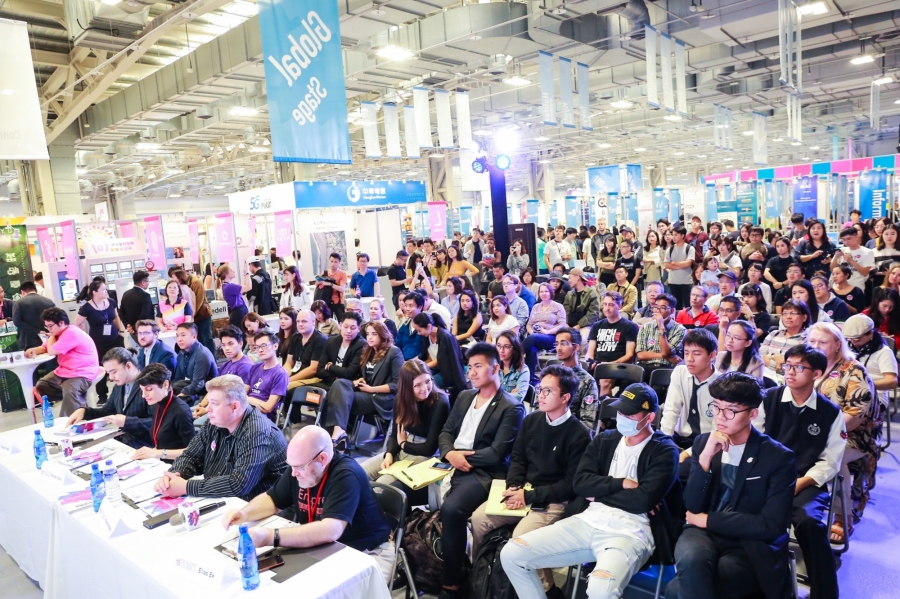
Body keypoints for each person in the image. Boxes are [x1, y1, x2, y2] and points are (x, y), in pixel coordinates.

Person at [502, 382, 679, 599]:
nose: (622, 416)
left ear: (649, 417)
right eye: (621, 411)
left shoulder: (665, 450)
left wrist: (600, 493)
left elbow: (642, 501)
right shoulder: (605, 439)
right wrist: (621, 483)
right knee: (512, 553)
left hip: (631, 531)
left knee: (600, 588)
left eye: (630, 414)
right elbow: (580, 483)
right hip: (588, 520)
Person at [665, 372, 796, 599]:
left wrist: (708, 519)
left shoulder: (777, 457)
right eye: (716, 407)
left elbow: (772, 524)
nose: (720, 417)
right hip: (702, 533)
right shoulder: (704, 442)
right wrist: (705, 459)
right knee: (690, 557)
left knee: (679, 588)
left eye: (731, 411)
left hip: (748, 542)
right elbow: (692, 505)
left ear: (752, 414)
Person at [472, 364, 591, 596]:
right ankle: (484, 578)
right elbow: (517, 459)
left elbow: (569, 485)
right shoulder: (532, 420)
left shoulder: (579, 434)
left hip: (552, 500)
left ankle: (547, 591)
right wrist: (514, 487)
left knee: (521, 541)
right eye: (540, 389)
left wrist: (528, 496)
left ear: (565, 397)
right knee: (479, 519)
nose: (541, 395)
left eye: (548, 391)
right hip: (523, 491)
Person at [220, 425, 393, 577]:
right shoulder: (299, 467)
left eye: (300, 467)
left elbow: (330, 530)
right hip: (326, 547)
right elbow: (273, 498)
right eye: (291, 466)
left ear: (323, 458)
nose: (294, 473)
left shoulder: (346, 474)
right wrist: (245, 513)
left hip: (367, 553)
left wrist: (270, 536)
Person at [752, 344, 845, 599]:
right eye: (787, 366)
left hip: (804, 482)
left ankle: (824, 592)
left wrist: (800, 483)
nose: (790, 372)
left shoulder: (830, 412)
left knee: (809, 523)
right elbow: (753, 440)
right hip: (766, 478)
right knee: (746, 515)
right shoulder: (768, 399)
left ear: (816, 374)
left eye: (798, 367)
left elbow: (830, 461)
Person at [436, 343, 525, 598]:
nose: (471, 372)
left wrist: (464, 459)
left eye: (478, 366)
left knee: (452, 510)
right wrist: (450, 454)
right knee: (410, 491)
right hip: (453, 461)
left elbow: (498, 453)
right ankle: (426, 559)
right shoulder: (465, 396)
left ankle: (452, 582)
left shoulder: (511, 407)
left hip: (484, 472)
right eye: (469, 367)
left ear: (495, 368)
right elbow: (446, 432)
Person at [155, 374, 288, 501]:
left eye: (214, 403)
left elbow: (239, 484)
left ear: (234, 406)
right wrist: (173, 475)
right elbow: (191, 456)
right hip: (224, 500)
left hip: (256, 509)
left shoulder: (258, 432)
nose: (208, 409)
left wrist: (186, 487)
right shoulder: (215, 423)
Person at [807, 322, 878, 543]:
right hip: (808, 432)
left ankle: (841, 515)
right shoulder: (806, 365)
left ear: (838, 345)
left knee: (834, 459)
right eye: (812, 341)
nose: (816, 346)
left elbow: (855, 416)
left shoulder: (853, 370)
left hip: (853, 436)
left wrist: (819, 436)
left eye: (822, 342)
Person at [362, 359, 451, 487]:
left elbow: (429, 448)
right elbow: (395, 434)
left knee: (381, 486)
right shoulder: (400, 399)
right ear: (408, 386)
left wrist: (403, 444)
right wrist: (389, 454)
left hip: (424, 455)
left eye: (427, 381)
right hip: (402, 445)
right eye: (418, 385)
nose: (425, 388)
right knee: (359, 473)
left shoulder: (440, 402)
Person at [321, 321, 403, 450]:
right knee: (339, 383)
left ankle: (334, 436)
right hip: (365, 391)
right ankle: (339, 433)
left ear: (383, 335)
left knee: (335, 399)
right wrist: (359, 380)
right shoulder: (368, 351)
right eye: (368, 334)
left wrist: (372, 389)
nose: (369, 337)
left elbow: (397, 385)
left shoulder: (394, 352)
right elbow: (366, 375)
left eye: (374, 334)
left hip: (381, 397)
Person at [66, 348, 152, 448]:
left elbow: (158, 422)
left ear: (128, 366)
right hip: (125, 440)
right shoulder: (120, 385)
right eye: (108, 373)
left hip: (145, 445)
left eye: (114, 372)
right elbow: (108, 411)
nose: (111, 378)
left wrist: (128, 422)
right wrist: (85, 412)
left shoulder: (149, 386)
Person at [661, 329, 721, 464]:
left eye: (697, 354)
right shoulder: (679, 372)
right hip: (679, 438)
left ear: (712, 355)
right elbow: (671, 410)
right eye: (686, 353)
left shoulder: (722, 383)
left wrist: (686, 454)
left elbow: (717, 430)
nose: (689, 359)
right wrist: (664, 443)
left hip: (707, 442)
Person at [28, 307, 100, 417]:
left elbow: (51, 350)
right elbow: (45, 347)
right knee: (42, 385)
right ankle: (77, 402)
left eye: (50, 326)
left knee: (70, 391)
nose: (48, 329)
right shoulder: (59, 333)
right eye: (46, 326)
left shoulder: (71, 333)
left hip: (82, 372)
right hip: (65, 371)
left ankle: (68, 421)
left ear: (61, 323)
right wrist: (34, 350)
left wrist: (51, 336)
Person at [125, 363, 196, 460]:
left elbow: (193, 451)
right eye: (142, 390)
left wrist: (159, 453)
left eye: (149, 389)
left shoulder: (180, 411)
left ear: (165, 384)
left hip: (179, 466)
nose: (143, 395)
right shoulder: (157, 405)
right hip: (162, 462)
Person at [75, 279, 125, 404]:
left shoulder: (111, 302)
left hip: (115, 339)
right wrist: (83, 335)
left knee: (120, 364)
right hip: (98, 343)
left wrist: (121, 331)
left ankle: (122, 390)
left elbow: (115, 317)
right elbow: (76, 325)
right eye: (103, 289)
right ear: (95, 292)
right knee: (101, 368)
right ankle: (102, 396)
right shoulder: (87, 308)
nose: (106, 291)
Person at [193, 326, 255, 424]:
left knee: (194, 424)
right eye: (223, 345)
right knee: (186, 413)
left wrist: (206, 410)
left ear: (240, 343)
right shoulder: (225, 365)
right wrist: (202, 406)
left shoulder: (245, 366)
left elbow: (236, 398)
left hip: (230, 411)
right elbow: (213, 390)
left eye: (230, 344)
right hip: (215, 405)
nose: (226, 348)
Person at [845, 313, 898, 411]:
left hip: (875, 395)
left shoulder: (883, 351)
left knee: (850, 410)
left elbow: (892, 381)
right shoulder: (847, 347)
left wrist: (863, 385)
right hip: (847, 391)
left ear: (870, 333)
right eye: (850, 339)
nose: (853, 342)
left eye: (857, 339)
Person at [414, 312, 468, 396]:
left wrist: (421, 366)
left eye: (419, 330)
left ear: (428, 326)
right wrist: (412, 362)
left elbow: (440, 360)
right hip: (437, 369)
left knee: (424, 383)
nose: (418, 333)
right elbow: (423, 354)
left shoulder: (445, 336)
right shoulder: (427, 336)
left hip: (447, 372)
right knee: (416, 379)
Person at [555, 327, 600, 427]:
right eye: (557, 343)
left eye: (563, 343)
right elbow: (539, 410)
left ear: (576, 347)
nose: (558, 348)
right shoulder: (552, 376)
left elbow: (588, 423)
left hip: (570, 434)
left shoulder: (587, 381)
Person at [315, 312, 367, 396]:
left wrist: (330, 367)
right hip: (328, 382)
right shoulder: (331, 341)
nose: (348, 331)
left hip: (346, 386)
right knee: (295, 392)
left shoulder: (362, 345)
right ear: (340, 325)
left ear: (359, 329)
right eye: (345, 327)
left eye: (353, 328)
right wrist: (335, 377)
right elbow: (320, 370)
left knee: (326, 398)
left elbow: (349, 373)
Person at [522, 283, 567, 378]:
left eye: (546, 291)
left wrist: (547, 332)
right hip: (534, 336)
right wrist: (531, 332)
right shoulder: (536, 307)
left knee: (533, 338)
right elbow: (529, 325)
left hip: (551, 337)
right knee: (531, 349)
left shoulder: (558, 306)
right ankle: (530, 377)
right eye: (541, 291)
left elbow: (562, 325)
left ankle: (515, 357)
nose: (544, 293)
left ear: (551, 292)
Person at [636, 293, 686, 378]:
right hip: (645, 367)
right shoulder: (645, 327)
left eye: (663, 308)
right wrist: (668, 357)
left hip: (666, 369)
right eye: (656, 307)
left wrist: (661, 328)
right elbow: (641, 355)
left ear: (672, 311)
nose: (658, 311)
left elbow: (666, 352)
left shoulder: (680, 330)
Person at [760, 298, 811, 379]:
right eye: (785, 313)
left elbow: (798, 366)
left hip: (790, 379)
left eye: (793, 313)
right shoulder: (773, 334)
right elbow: (760, 357)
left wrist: (769, 361)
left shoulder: (808, 339)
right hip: (764, 376)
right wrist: (775, 357)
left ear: (804, 317)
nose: (788, 317)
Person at [243, 331, 289, 421]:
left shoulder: (280, 374)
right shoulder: (254, 368)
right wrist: (250, 400)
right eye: (257, 347)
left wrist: (246, 399)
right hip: (246, 409)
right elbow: (241, 394)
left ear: (275, 346)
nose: (260, 350)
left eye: (264, 346)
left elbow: (268, 407)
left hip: (262, 417)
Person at [587, 291, 639, 367]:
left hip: (618, 367)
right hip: (597, 365)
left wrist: (610, 364)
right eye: (605, 304)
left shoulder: (630, 326)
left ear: (620, 306)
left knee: (605, 378)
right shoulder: (596, 325)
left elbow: (629, 355)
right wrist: (590, 362)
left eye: (611, 305)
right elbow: (590, 351)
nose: (607, 308)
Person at [171, 323, 218, 405]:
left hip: (207, 391)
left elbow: (198, 384)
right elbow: (177, 378)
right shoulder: (182, 353)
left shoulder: (202, 354)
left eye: (183, 335)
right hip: (194, 386)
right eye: (177, 336)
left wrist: (179, 397)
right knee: (173, 387)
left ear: (194, 337)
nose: (179, 339)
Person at [12, 281, 56, 350]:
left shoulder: (19, 303)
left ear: (22, 292)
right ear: (36, 290)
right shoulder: (49, 301)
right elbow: (56, 319)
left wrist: (37, 331)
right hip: (49, 339)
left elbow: (17, 321)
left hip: (27, 341)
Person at [831, 226, 874, 293]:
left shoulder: (867, 252)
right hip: (838, 287)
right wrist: (836, 257)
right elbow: (832, 269)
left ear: (856, 236)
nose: (846, 242)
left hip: (856, 287)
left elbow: (865, 273)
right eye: (844, 239)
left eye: (849, 239)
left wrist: (851, 261)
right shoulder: (841, 250)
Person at [665, 226, 696, 310]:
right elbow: (666, 265)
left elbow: (688, 263)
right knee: (676, 307)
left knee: (688, 306)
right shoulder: (670, 249)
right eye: (673, 235)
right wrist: (681, 265)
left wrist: (675, 263)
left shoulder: (689, 248)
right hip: (673, 282)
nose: (673, 237)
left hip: (687, 282)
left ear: (682, 236)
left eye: (676, 235)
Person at [119, 271, 155, 342]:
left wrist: (127, 325)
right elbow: (145, 315)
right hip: (144, 331)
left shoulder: (126, 294)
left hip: (132, 331)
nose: (148, 283)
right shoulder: (145, 296)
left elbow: (121, 312)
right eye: (148, 281)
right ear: (143, 283)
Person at [563, 268, 601, 335]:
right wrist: (566, 324)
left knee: (582, 339)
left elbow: (593, 313)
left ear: (577, 278)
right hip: (570, 325)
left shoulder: (592, 293)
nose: (568, 281)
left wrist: (579, 326)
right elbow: (566, 311)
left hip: (586, 325)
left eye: (570, 278)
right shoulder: (569, 294)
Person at [497, 331, 530, 403]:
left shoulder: (523, 369)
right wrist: (510, 394)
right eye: (498, 345)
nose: (501, 350)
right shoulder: (493, 366)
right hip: (494, 407)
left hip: (512, 409)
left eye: (506, 346)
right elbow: (483, 391)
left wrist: (494, 395)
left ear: (514, 349)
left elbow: (518, 397)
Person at [217, 264, 250, 329]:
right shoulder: (228, 287)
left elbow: (246, 286)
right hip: (239, 313)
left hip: (240, 312)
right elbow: (248, 287)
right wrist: (247, 273)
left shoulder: (228, 285)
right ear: (226, 274)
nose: (234, 271)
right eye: (231, 271)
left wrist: (246, 274)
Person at [317, 252, 348, 320]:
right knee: (328, 323)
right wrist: (319, 281)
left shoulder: (342, 274)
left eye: (335, 262)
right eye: (331, 261)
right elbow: (317, 285)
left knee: (342, 322)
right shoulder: (325, 273)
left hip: (339, 302)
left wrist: (329, 284)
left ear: (339, 263)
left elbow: (342, 289)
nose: (333, 264)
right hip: (327, 302)